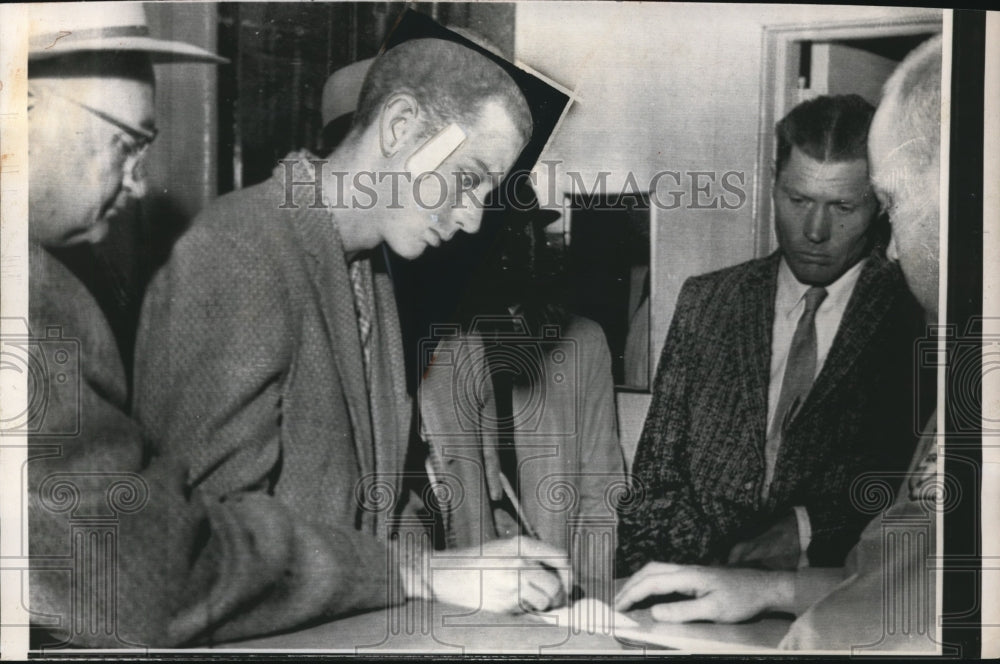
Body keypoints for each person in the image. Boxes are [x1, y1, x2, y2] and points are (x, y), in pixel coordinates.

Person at [133, 24, 574, 620]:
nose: (472, 220)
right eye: (468, 178)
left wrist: (477, 566)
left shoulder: (375, 270)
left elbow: (373, 513)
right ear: (400, 127)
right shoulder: (239, 248)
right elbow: (203, 551)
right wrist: (423, 573)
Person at [26, 3, 391, 648]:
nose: (140, 183)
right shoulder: (34, 295)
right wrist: (404, 571)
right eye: (128, 143)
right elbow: (152, 576)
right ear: (23, 106)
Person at [616, 35, 942, 653]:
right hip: (690, 620)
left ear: (880, 205)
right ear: (773, 185)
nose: (816, 231)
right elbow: (652, 487)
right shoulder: (706, 301)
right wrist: (697, 575)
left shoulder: (920, 312)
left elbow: (914, 505)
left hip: (847, 624)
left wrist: (802, 529)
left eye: (843, 206)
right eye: (798, 200)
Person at [418, 187, 626, 599]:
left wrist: (585, 599)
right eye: (496, 235)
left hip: (561, 593)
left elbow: (600, 491)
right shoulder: (435, 351)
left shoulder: (582, 342)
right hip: (464, 596)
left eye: (522, 232)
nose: (509, 251)